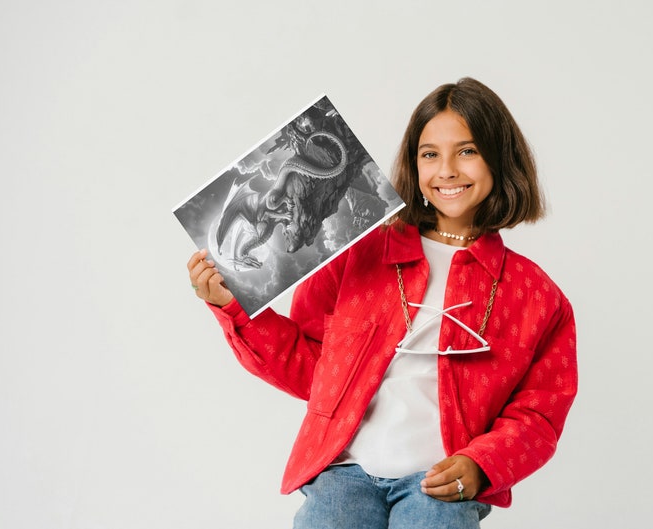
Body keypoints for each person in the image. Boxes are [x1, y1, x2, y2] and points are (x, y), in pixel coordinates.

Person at [187, 77, 578, 529]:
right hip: (345, 471)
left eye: (467, 151)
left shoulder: (536, 296)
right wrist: (234, 309)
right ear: (414, 163)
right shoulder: (358, 252)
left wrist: (482, 465)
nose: (447, 170)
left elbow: (538, 414)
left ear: (500, 160)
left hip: (440, 482)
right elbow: (312, 368)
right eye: (430, 153)